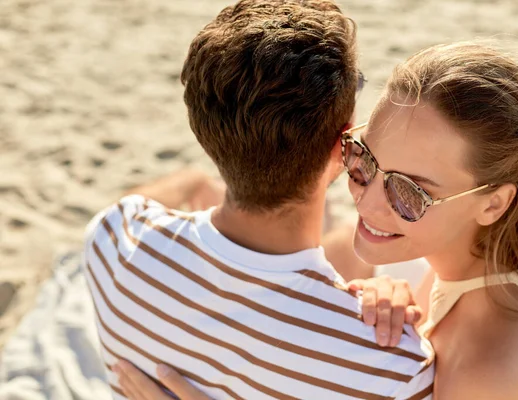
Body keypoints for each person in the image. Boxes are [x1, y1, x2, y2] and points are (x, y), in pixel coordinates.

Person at [117, 42, 518, 399]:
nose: (367, 205)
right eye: (363, 160)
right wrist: (384, 288)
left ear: (493, 204)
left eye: (410, 192)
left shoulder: (500, 369)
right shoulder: (450, 263)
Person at [82, 0, 435, 399]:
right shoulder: (393, 368)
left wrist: (194, 180)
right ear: (344, 142)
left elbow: (135, 203)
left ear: (200, 127)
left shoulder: (112, 239)